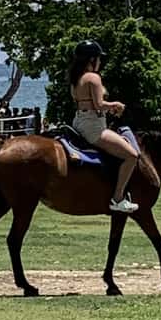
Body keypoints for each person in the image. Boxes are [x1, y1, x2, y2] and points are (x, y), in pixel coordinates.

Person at [68, 40, 139, 213]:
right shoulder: (93, 78)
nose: (100, 62)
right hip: (93, 127)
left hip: (79, 121)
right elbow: (99, 105)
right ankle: (117, 198)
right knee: (132, 155)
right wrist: (116, 104)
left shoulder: (76, 78)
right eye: (99, 59)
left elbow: (89, 104)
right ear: (92, 59)